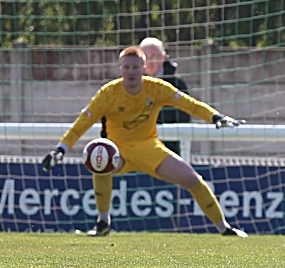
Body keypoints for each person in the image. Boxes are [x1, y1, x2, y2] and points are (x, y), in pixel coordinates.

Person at [41, 46, 248, 237]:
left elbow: (190, 105)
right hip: (118, 151)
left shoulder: (156, 88)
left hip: (149, 148)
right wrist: (60, 150)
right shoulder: (108, 93)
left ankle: (224, 228)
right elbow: (82, 124)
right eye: (127, 67)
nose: (131, 72)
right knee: (100, 159)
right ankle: (103, 222)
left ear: (144, 68)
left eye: (135, 67)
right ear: (120, 69)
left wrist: (216, 117)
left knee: (193, 179)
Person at [138, 37, 191, 155]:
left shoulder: (177, 84)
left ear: (163, 57)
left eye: (153, 56)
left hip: (168, 152)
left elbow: (184, 120)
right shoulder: (131, 83)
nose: (149, 61)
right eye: (145, 57)